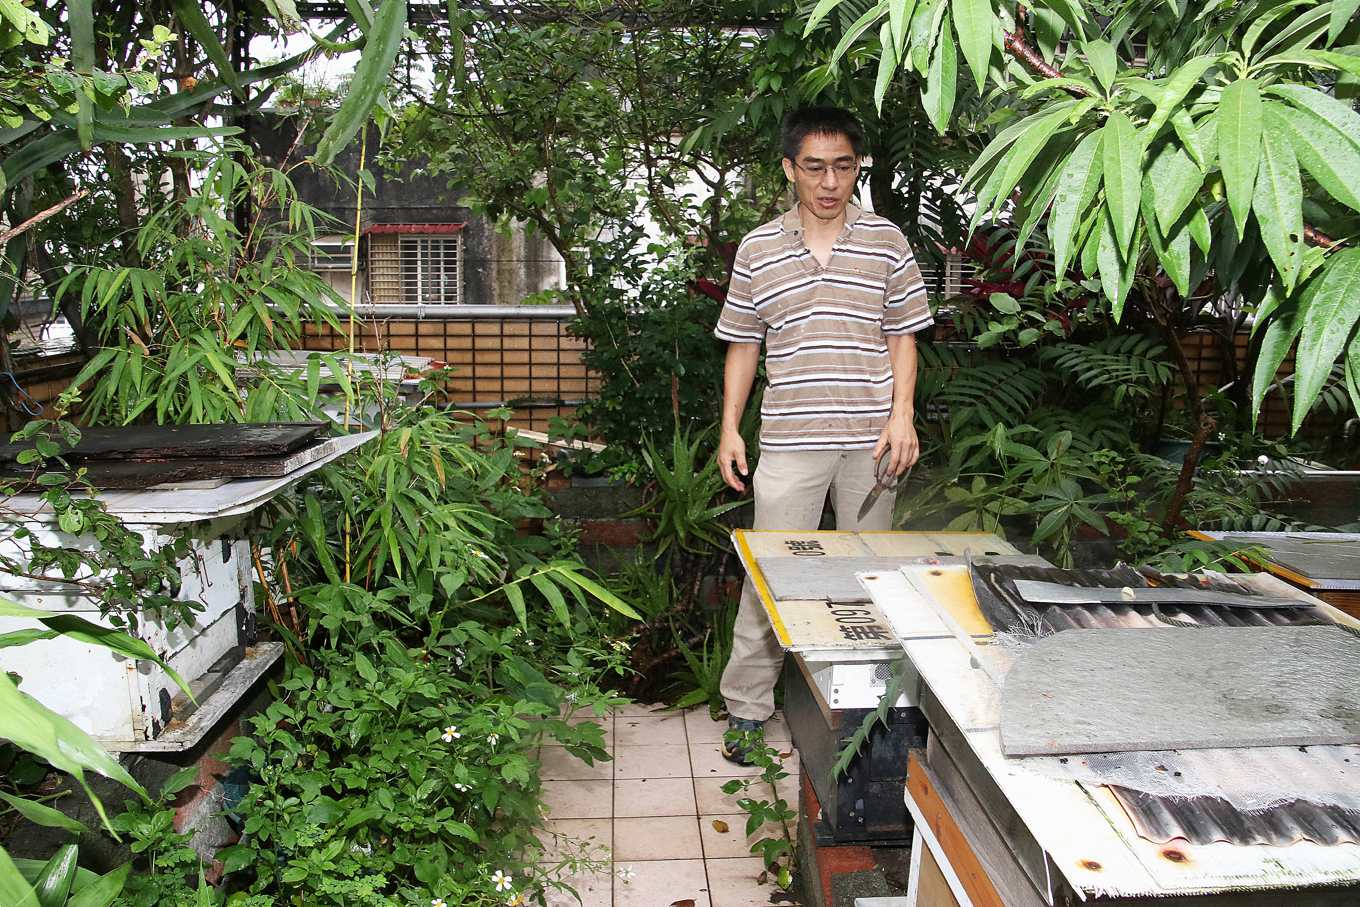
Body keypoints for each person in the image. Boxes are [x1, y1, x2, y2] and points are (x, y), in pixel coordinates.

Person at [712, 106, 932, 764]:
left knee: (869, 578)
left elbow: (904, 336)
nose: (830, 181)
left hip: (872, 441)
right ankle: (748, 708)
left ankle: (858, 711)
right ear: (789, 170)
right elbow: (743, 346)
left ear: (857, 167)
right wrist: (730, 428)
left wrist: (903, 413)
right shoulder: (758, 249)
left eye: (843, 166)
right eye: (814, 167)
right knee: (771, 576)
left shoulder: (887, 242)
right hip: (789, 438)